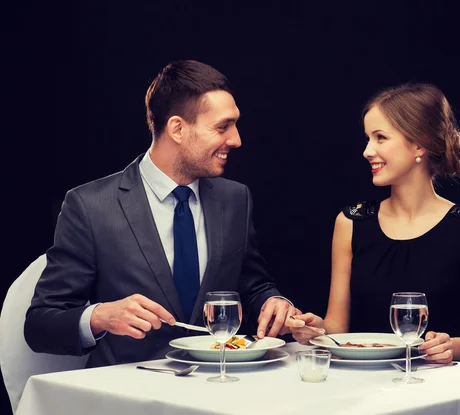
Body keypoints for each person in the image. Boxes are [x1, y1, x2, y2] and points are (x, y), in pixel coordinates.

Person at [24, 60, 298, 367]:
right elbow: (40, 325)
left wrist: (274, 302)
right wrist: (99, 316)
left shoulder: (235, 198)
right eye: (223, 127)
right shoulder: (89, 206)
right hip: (126, 397)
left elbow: (251, 284)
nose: (236, 140)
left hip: (219, 389)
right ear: (178, 128)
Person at [289, 83, 460, 363]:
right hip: (364, 381)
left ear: (420, 143)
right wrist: (315, 329)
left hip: (440, 385)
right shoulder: (350, 222)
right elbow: (337, 328)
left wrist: (450, 346)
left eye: (380, 138)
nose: (367, 151)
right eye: (368, 138)